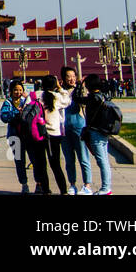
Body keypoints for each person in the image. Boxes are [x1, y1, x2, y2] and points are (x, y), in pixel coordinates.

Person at [60, 66, 93, 195]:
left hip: (79, 127)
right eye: (69, 76)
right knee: (69, 159)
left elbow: (86, 104)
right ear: (63, 78)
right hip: (64, 129)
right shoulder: (60, 92)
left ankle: (87, 185)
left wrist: (81, 92)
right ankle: (72, 184)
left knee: (83, 157)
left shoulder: (79, 91)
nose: (72, 79)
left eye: (73, 76)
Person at [82, 75, 115, 196]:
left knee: (102, 161)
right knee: (104, 160)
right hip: (103, 132)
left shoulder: (93, 98)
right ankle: (106, 187)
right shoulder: (103, 96)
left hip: (96, 132)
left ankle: (106, 188)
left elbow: (77, 99)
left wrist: (79, 84)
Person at [39, 74, 69, 194]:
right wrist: (60, 87)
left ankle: (46, 190)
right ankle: (63, 190)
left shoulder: (36, 95)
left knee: (42, 164)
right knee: (56, 165)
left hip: (39, 134)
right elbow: (67, 101)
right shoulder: (56, 97)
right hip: (54, 135)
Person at [0, 79, 31, 193]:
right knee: (19, 160)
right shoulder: (7, 102)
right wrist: (15, 112)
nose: (18, 92)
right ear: (11, 91)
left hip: (27, 135)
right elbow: (3, 117)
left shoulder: (26, 101)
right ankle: (24, 183)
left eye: (20, 90)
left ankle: (39, 183)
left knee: (33, 159)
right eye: (15, 90)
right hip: (14, 136)